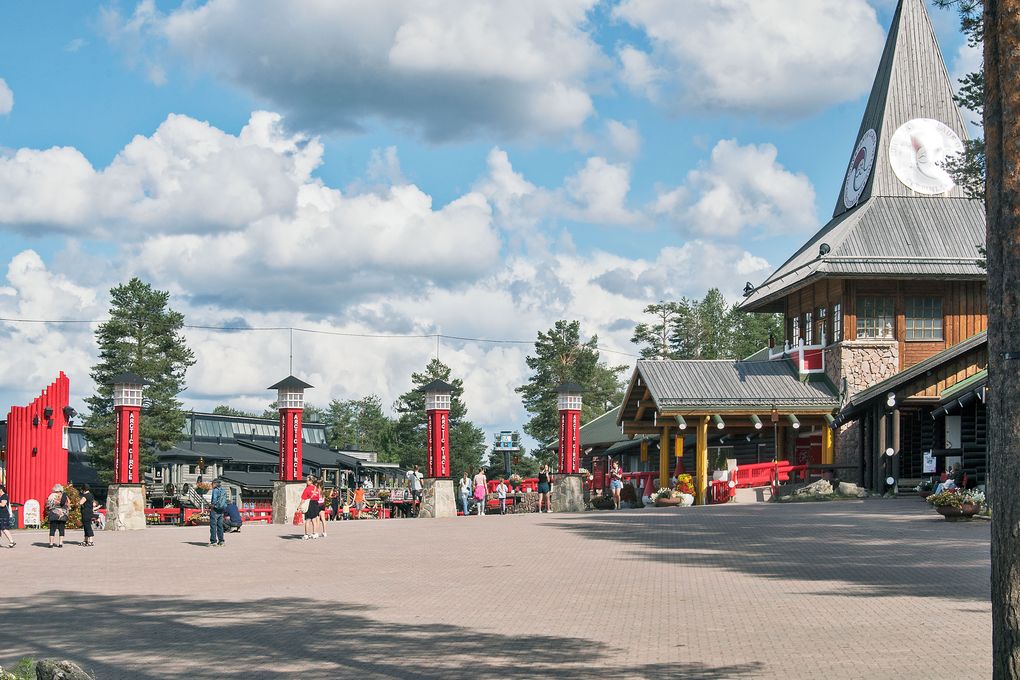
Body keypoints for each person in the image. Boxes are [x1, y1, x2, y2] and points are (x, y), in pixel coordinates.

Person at [45, 484, 70, 548]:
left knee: (52, 529)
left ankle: (51, 544)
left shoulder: (51, 496)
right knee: (61, 529)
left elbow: (47, 505)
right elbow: (68, 504)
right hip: (63, 514)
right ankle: (60, 543)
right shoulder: (65, 496)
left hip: (53, 513)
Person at [208, 479, 227, 546]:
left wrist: (211, 506)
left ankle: (213, 541)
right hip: (221, 510)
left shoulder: (215, 490)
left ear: (215, 484)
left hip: (215, 510)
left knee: (213, 526)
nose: (211, 485)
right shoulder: (223, 490)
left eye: (212, 483)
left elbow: (214, 500)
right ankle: (221, 541)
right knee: (220, 526)